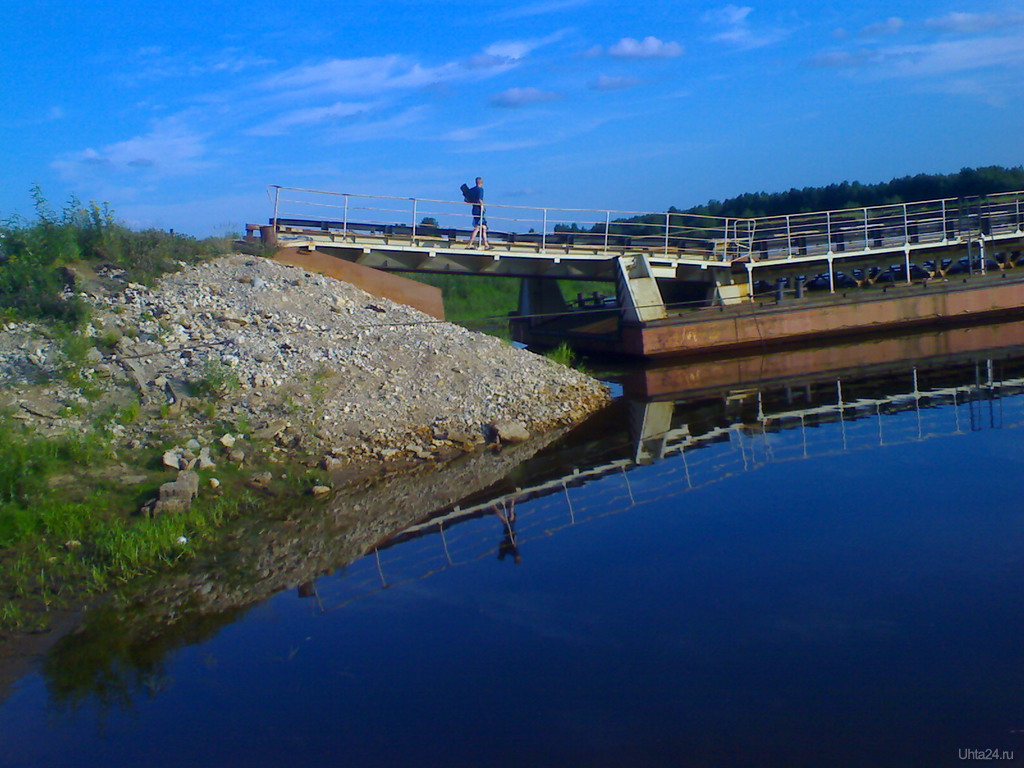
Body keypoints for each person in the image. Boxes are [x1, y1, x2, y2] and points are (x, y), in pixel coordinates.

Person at [464, 177, 491, 249]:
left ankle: (486, 244)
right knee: (478, 227)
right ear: (481, 183)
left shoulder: (472, 190)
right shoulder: (480, 189)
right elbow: (480, 199)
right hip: (479, 210)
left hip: (474, 209)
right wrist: (483, 207)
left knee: (483, 227)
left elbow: (466, 200)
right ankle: (469, 244)